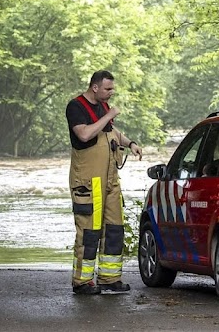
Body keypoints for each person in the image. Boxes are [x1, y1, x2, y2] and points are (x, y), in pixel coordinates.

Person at [65, 70, 142, 295]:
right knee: (89, 232)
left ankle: (110, 279)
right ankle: (82, 281)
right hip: (88, 182)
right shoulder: (76, 107)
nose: (111, 93)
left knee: (115, 229)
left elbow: (112, 131)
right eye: (108, 89)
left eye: (112, 89)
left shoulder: (103, 107)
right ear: (95, 87)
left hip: (109, 180)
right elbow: (85, 134)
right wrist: (108, 116)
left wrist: (130, 143)